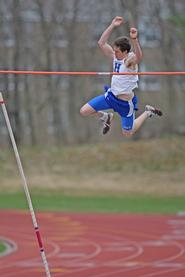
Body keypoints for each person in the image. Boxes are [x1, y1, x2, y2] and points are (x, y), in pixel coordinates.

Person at [80, 16, 162, 137]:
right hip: (111, 96)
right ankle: (106, 116)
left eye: (117, 51)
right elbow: (101, 43)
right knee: (84, 111)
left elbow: (139, 57)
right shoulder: (115, 57)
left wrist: (134, 40)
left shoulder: (130, 61)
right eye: (114, 50)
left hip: (125, 103)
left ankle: (147, 112)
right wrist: (112, 25)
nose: (115, 53)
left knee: (127, 133)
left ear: (125, 52)